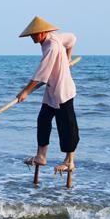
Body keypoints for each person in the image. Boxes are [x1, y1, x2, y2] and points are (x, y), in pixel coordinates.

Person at [16, 16, 79, 173]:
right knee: (43, 120)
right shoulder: (55, 38)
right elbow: (72, 39)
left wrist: (26, 91)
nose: (32, 37)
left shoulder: (51, 45)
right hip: (51, 90)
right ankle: (41, 156)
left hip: (63, 91)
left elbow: (41, 74)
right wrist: (68, 57)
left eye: (34, 34)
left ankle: (69, 161)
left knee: (67, 126)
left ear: (43, 32)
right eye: (31, 34)